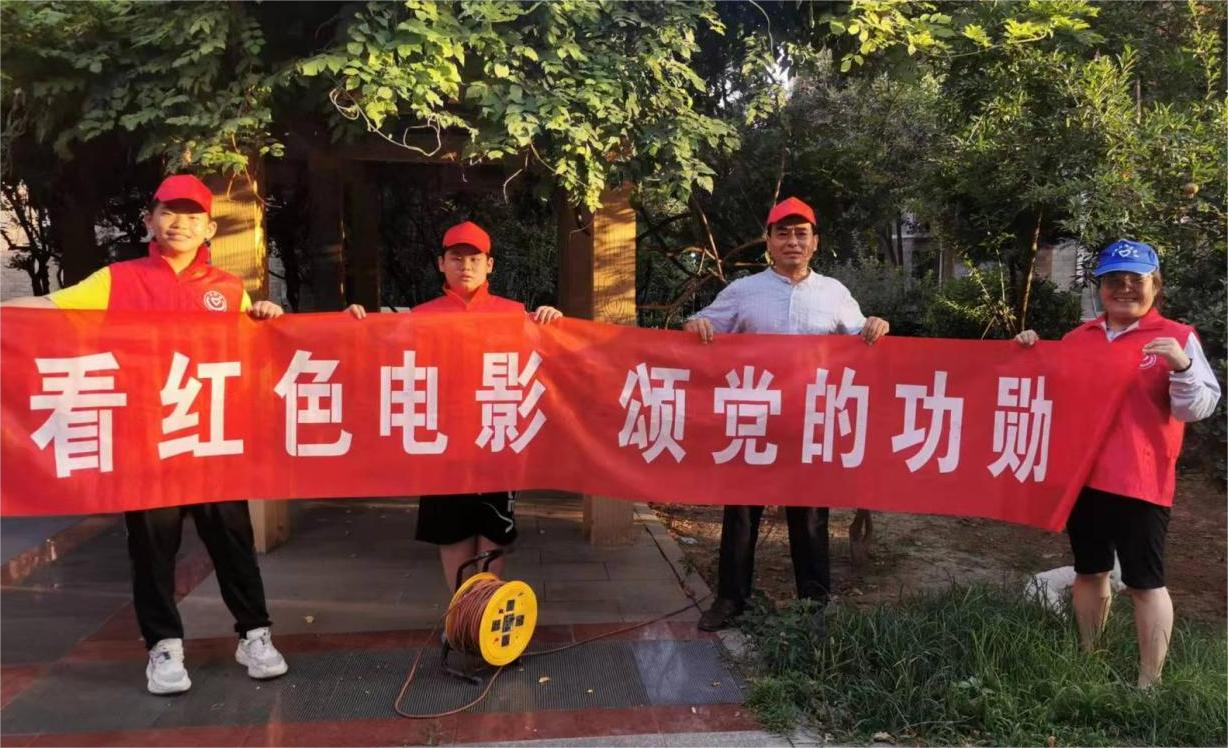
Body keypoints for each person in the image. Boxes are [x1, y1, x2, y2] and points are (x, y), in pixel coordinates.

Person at [1, 174, 289, 695]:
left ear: (210, 228)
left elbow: (255, 351)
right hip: (147, 444)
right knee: (153, 550)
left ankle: (255, 634)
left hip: (210, 442)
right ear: (150, 220)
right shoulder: (118, 280)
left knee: (232, 542)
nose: (180, 223)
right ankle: (164, 646)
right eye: (168, 212)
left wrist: (267, 316)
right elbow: (52, 308)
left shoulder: (228, 289)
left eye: (192, 215)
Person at [1015, 239, 1219, 688]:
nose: (1124, 288)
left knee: (1145, 582)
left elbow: (1197, 408)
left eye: (1135, 280)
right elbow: (1048, 390)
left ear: (1154, 285)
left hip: (1140, 479)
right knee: (1090, 572)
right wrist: (1027, 350)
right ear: (1100, 287)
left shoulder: (1176, 337)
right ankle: (1091, 658)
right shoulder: (1080, 338)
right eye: (1113, 280)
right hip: (1083, 477)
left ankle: (1149, 683)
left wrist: (1182, 366)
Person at [683, 197, 890, 632]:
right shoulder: (743, 291)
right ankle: (731, 599)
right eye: (783, 234)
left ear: (815, 243)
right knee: (741, 514)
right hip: (753, 421)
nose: (792, 242)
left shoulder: (835, 294)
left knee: (810, 515)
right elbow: (701, 324)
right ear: (769, 242)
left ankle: (814, 605)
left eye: (801, 234)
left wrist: (875, 326)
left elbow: (863, 338)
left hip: (809, 423)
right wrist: (695, 325)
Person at [347, 220, 563, 590]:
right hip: (442, 446)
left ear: (489, 265)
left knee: (494, 536)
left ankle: (486, 614)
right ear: (441, 263)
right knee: (453, 536)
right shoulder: (421, 317)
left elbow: (552, 364)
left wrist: (553, 321)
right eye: (457, 258)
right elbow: (379, 357)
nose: (466, 266)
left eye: (475, 259)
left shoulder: (514, 314)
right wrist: (354, 326)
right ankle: (461, 612)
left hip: (496, 441)